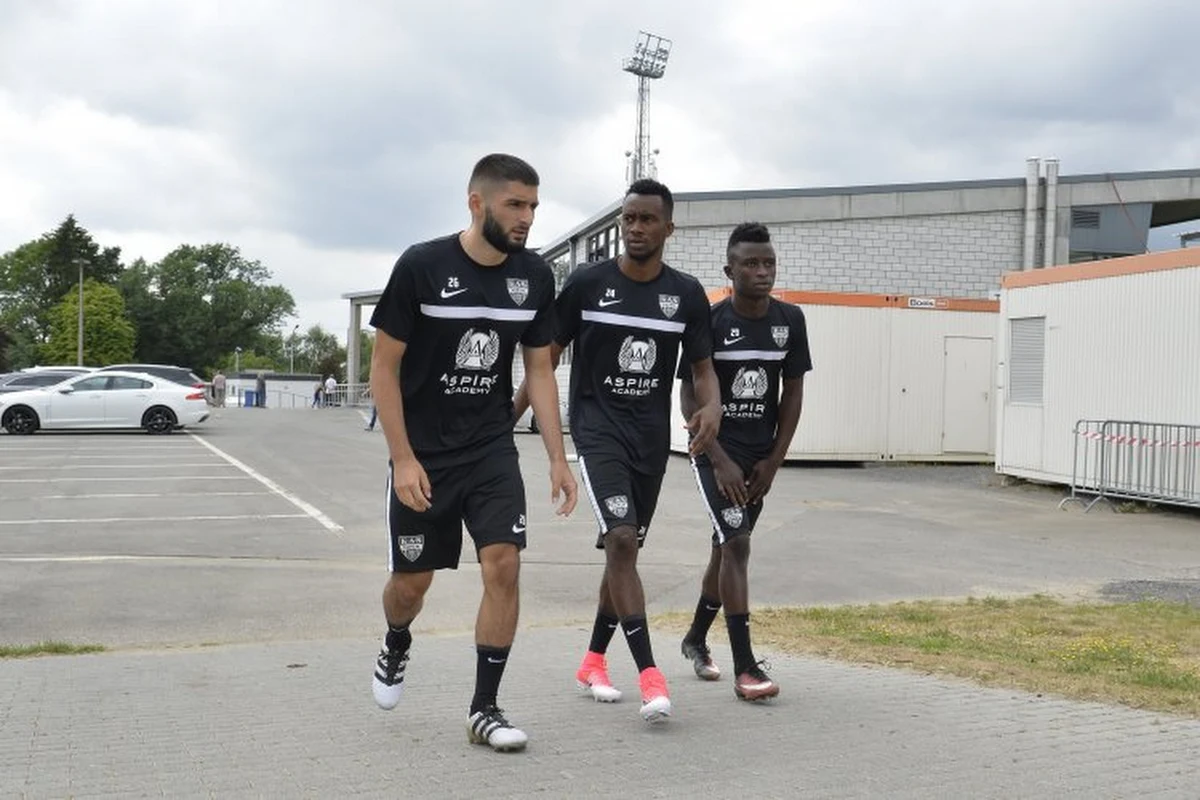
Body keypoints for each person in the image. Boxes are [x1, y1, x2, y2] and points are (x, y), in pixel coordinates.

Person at [368, 153, 577, 752]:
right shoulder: (423, 265)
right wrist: (403, 457)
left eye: (533, 206)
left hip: (489, 448)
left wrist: (558, 459)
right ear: (476, 202)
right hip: (424, 454)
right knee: (413, 583)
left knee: (504, 564)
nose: (527, 217)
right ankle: (396, 640)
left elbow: (540, 371)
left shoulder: (536, 277)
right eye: (515, 204)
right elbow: (384, 368)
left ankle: (484, 708)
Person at [514, 178, 722, 724]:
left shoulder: (687, 294)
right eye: (628, 219)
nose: (634, 228)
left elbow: (703, 369)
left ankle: (590, 662)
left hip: (650, 441)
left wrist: (714, 405)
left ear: (667, 228)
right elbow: (544, 360)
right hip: (596, 430)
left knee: (621, 553)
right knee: (623, 541)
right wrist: (506, 421)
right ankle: (651, 677)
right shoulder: (587, 284)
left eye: (646, 220)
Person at [677, 222, 811, 701]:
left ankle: (694, 639)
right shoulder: (709, 323)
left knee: (724, 548)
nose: (762, 272)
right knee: (737, 544)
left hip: (759, 460)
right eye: (751, 264)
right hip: (717, 455)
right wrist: (716, 458)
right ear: (729, 270)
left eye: (769, 263)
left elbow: (792, 394)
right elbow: (689, 398)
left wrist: (774, 461)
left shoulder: (790, 321)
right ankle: (746, 667)